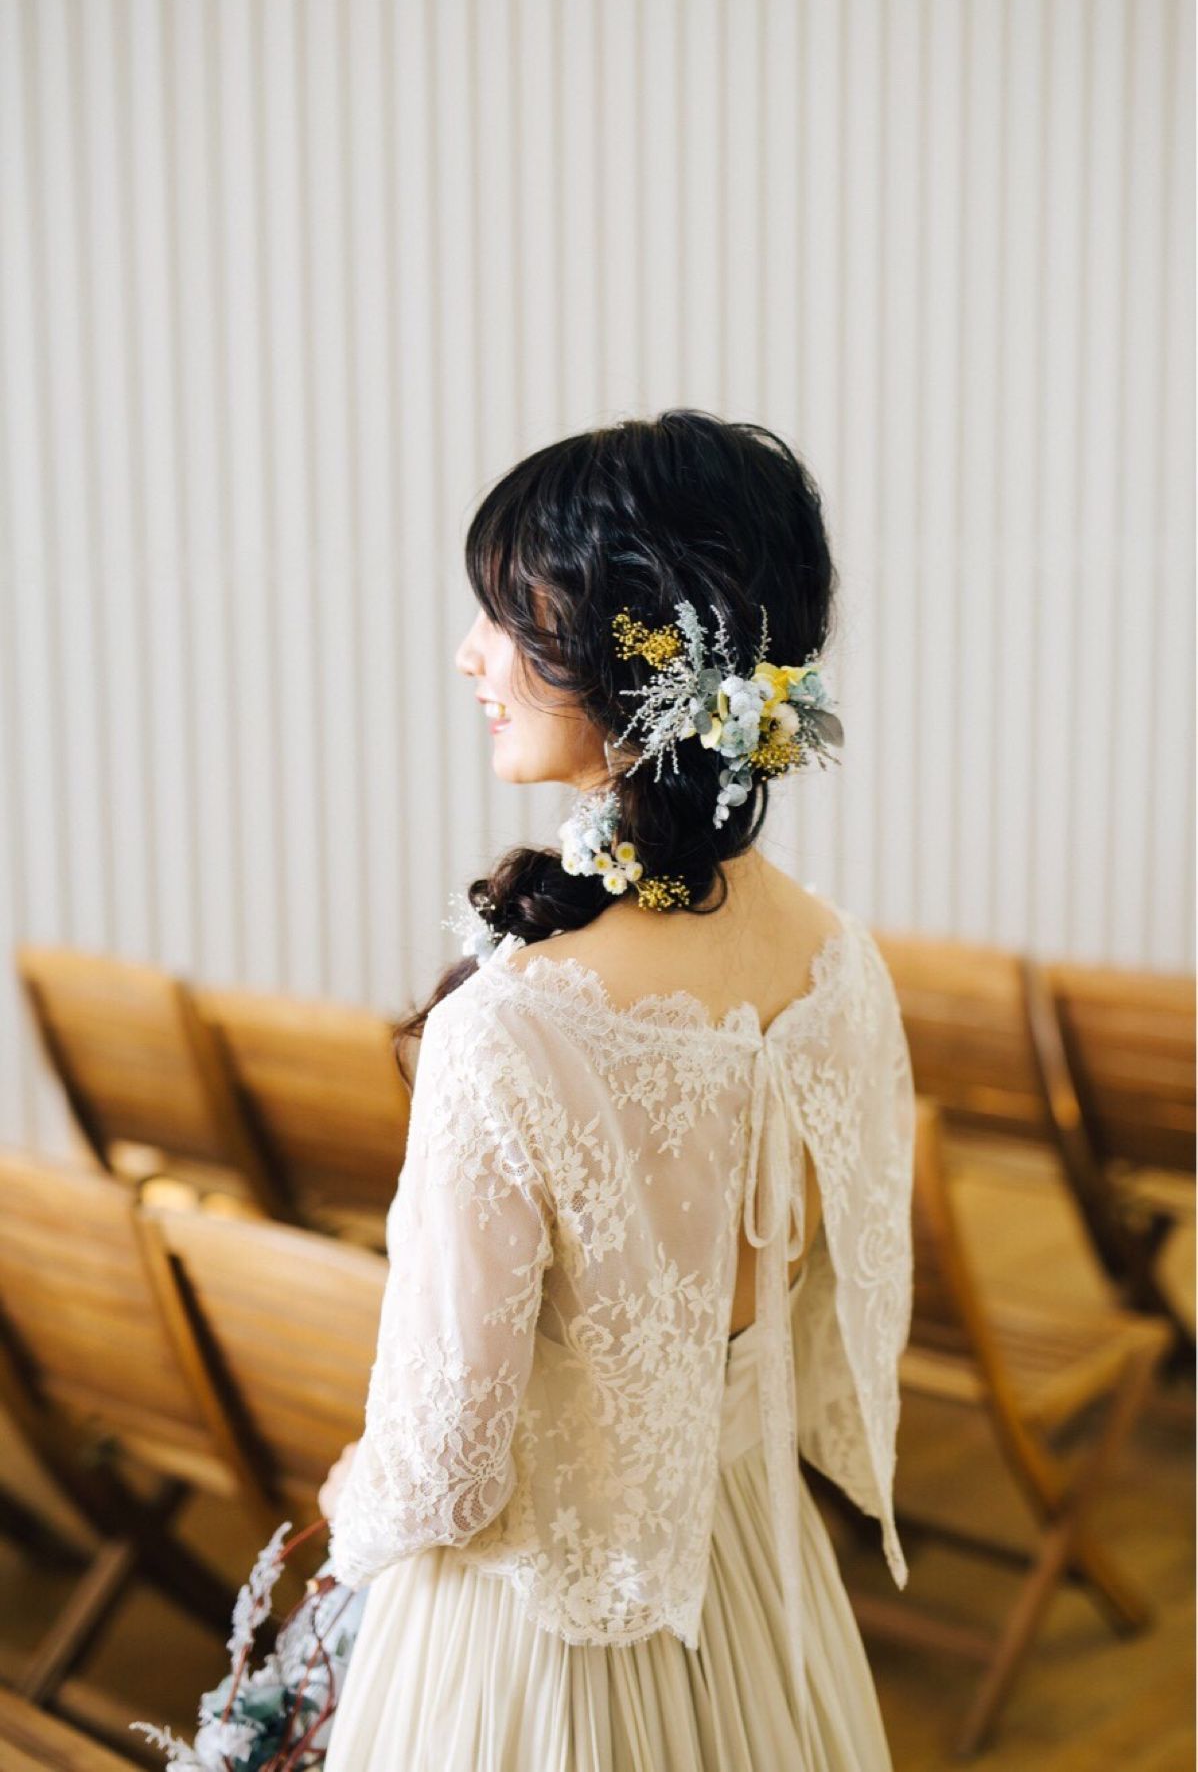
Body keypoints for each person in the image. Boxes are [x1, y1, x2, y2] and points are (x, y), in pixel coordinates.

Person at [320, 409, 915, 1770]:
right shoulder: (841, 964)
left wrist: (353, 1509)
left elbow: (446, 1467)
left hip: (536, 1648)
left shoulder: (513, 1030)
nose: (469, 656)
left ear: (627, 649)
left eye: (504, 618)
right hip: (752, 1585)